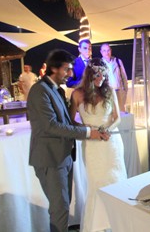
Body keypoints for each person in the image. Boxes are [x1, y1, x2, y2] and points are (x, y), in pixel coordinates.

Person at [27, 49, 106, 232]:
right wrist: (87, 134)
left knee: (63, 205)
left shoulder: (58, 91)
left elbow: (68, 122)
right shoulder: (40, 91)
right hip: (50, 159)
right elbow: (51, 126)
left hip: (64, 157)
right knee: (60, 208)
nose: (71, 74)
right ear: (54, 68)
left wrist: (91, 129)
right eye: (67, 69)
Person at [69, 58, 127, 232]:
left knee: (115, 180)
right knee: (97, 184)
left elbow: (117, 117)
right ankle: (97, 227)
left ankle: (117, 224)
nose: (101, 78)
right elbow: (70, 122)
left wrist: (107, 128)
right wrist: (89, 131)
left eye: (103, 74)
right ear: (89, 74)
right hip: (92, 145)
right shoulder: (77, 94)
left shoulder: (109, 91)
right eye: (97, 74)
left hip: (111, 143)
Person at [100, 43, 128, 112]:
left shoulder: (118, 61)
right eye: (104, 50)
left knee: (121, 112)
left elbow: (124, 76)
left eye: (108, 50)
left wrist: (125, 90)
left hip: (119, 92)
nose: (107, 52)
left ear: (111, 50)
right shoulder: (99, 64)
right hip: (108, 94)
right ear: (101, 52)